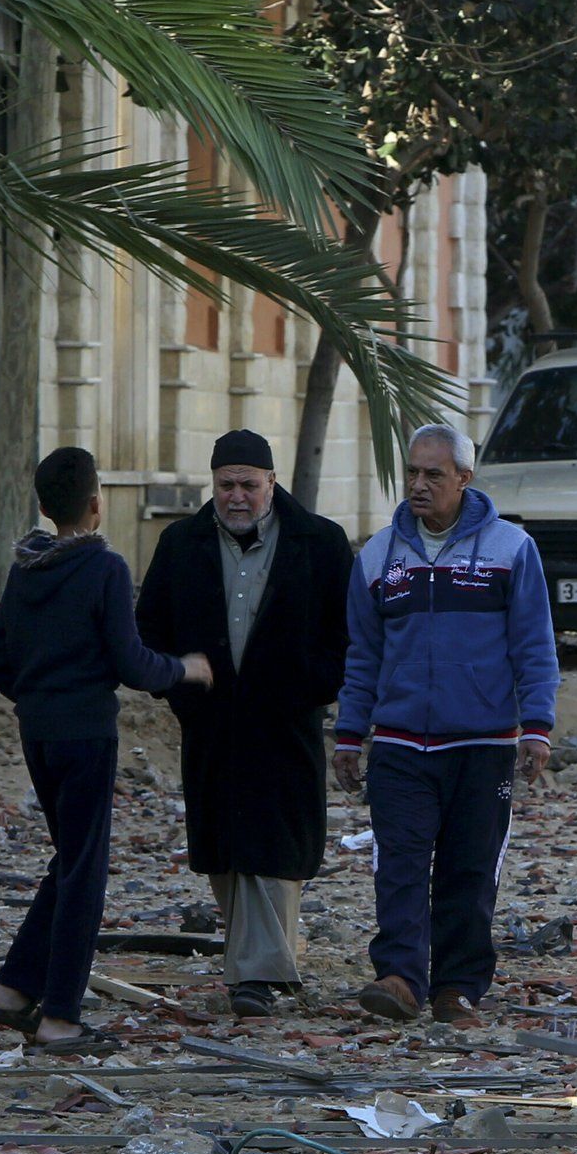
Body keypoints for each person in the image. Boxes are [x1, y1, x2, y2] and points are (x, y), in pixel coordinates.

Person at [0, 448, 211, 1048]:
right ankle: (60, 1016)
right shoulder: (103, 567)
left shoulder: (24, 566)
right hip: (86, 734)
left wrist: (37, 695)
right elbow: (132, 664)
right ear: (95, 503)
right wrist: (185, 670)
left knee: (70, 859)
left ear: (45, 506)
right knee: (86, 872)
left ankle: (11, 988)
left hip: (38, 732)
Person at [332, 422, 560, 1027]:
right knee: (400, 865)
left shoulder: (513, 550)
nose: (418, 484)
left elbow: (533, 644)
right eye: (412, 472)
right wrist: (349, 736)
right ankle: (401, 978)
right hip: (402, 745)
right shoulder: (379, 556)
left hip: (484, 746)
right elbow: (363, 655)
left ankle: (457, 990)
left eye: (434, 474)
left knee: (469, 868)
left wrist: (536, 727)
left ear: (464, 478)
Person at [136, 430, 354, 1018]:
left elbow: (348, 635)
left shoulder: (322, 544)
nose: (237, 497)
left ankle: (255, 975)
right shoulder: (181, 544)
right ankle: (263, 969)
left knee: (276, 847)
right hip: (212, 724)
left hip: (286, 721)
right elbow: (148, 630)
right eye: (226, 485)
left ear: (272, 484)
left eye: (248, 486)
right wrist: (179, 684)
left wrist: (309, 684)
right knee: (227, 851)